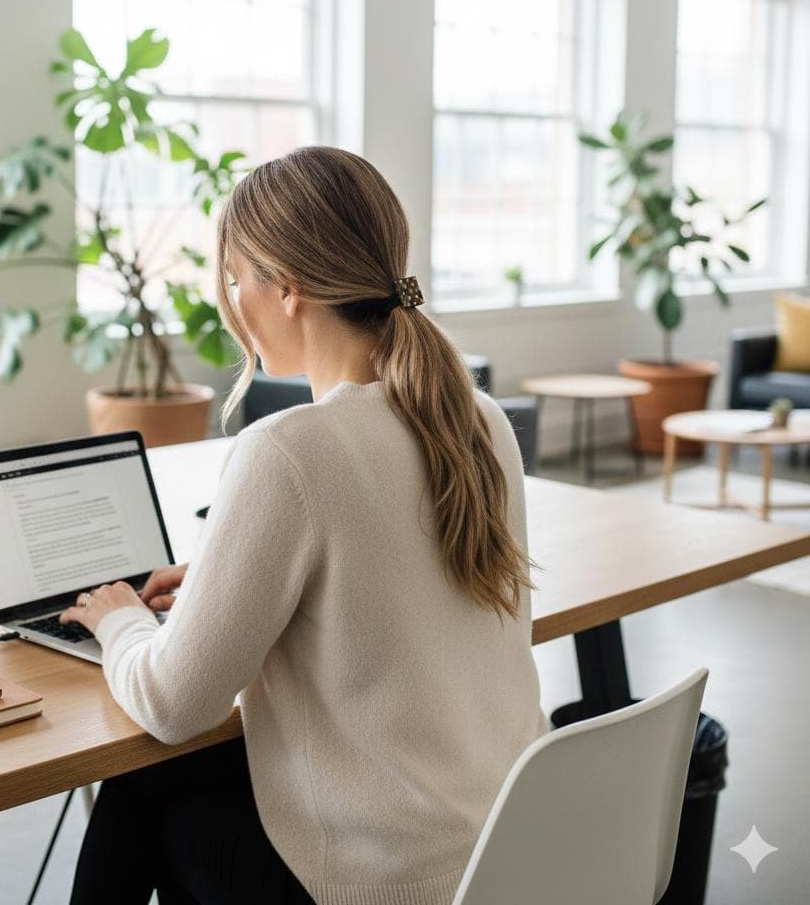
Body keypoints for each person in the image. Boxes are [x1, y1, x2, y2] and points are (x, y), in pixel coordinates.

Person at [60, 146, 550, 905]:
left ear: (286, 289)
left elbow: (173, 704)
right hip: (504, 848)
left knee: (144, 781)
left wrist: (120, 620)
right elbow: (393, 582)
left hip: (388, 883)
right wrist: (240, 586)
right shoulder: (476, 416)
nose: (233, 301)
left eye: (236, 279)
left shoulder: (288, 451)